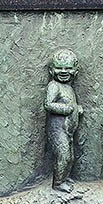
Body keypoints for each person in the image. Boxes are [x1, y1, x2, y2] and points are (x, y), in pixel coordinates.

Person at [44, 48, 84, 193]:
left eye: (67, 68)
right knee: (64, 156)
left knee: (70, 157)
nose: (63, 72)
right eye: (59, 68)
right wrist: (65, 109)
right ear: (51, 70)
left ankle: (65, 177)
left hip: (68, 131)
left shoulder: (68, 87)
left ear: (75, 70)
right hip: (58, 130)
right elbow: (48, 104)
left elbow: (70, 103)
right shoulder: (54, 86)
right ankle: (58, 183)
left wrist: (76, 108)